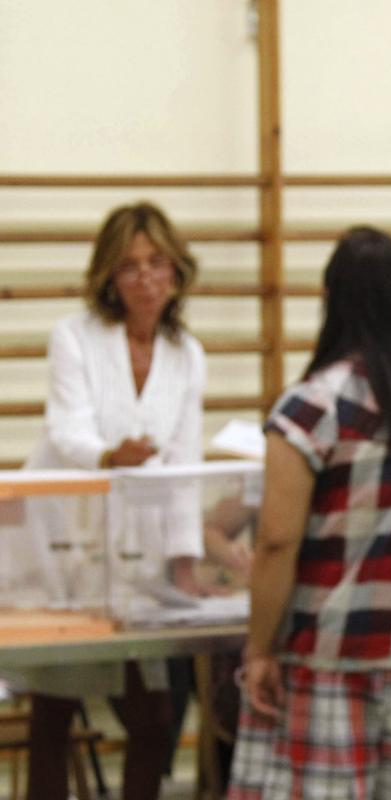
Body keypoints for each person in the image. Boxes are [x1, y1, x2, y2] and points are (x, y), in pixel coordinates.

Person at [227, 227, 391, 800]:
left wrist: (259, 647)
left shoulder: (313, 404)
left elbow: (276, 539)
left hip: (332, 651)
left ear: (332, 302)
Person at [19, 201, 206, 800]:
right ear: (107, 276)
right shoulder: (74, 336)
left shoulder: (187, 354)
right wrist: (109, 456)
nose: (146, 278)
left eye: (157, 263)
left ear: (177, 270)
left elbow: (184, 463)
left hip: (131, 544)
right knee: (55, 706)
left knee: (152, 716)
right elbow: (66, 429)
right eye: (129, 266)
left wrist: (186, 560)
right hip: (58, 532)